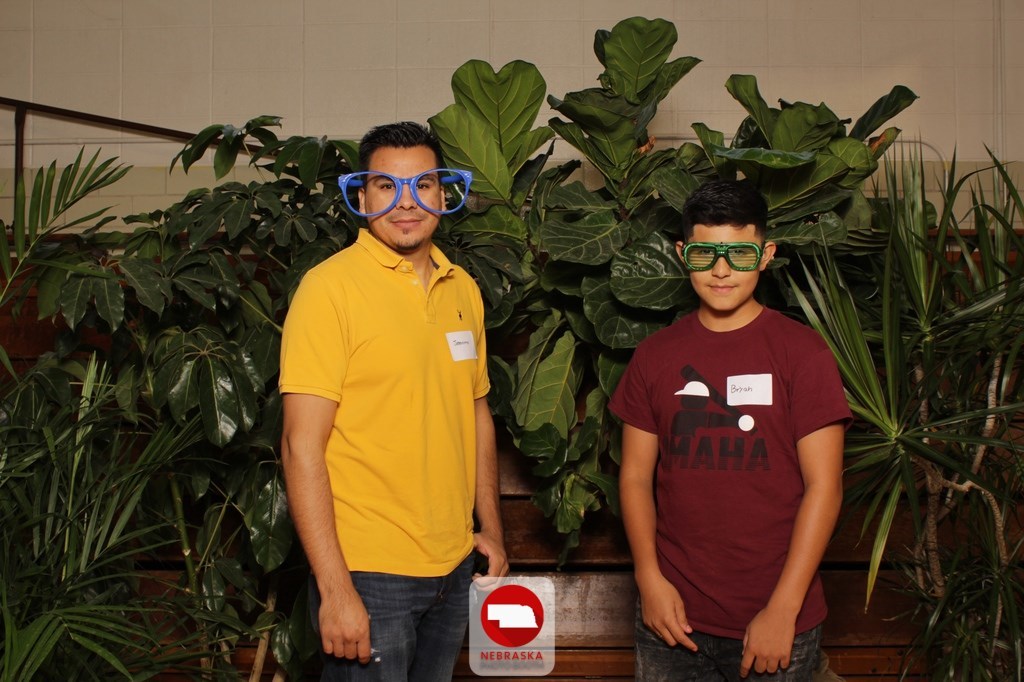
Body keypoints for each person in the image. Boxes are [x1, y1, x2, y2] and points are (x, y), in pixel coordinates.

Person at [279, 121, 508, 682]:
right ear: (362, 198)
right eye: (387, 186)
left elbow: (474, 414)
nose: (406, 202)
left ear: (443, 194)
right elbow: (300, 445)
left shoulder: (463, 288)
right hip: (368, 572)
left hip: (454, 566)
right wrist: (335, 589)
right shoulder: (329, 289)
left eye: (422, 184)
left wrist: (491, 527)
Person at [610, 179, 851, 681]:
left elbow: (824, 487)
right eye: (705, 254)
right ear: (683, 254)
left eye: (739, 253)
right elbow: (634, 477)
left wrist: (783, 609)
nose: (721, 270)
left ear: (766, 256)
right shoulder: (655, 356)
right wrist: (649, 579)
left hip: (777, 618)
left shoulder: (803, 353)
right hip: (671, 618)